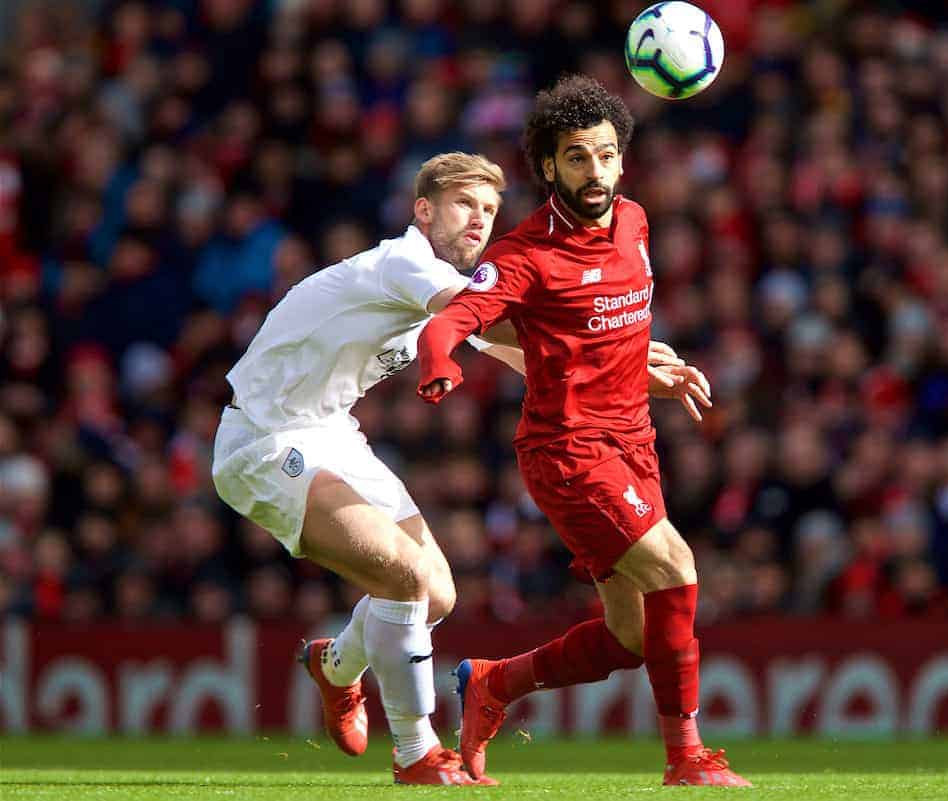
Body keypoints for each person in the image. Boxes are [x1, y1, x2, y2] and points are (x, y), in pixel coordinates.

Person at [211, 152, 690, 786]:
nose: (479, 221)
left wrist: (623, 365)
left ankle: (336, 666)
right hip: (263, 438)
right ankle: (418, 753)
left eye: (490, 211)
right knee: (404, 579)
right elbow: (516, 326)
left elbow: (515, 346)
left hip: (332, 432)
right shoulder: (405, 264)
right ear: (424, 209)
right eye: (465, 204)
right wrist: (617, 346)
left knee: (436, 593)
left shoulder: (437, 283)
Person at [416, 77, 751, 787]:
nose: (594, 172)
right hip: (567, 450)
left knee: (633, 634)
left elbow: (605, 324)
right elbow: (456, 317)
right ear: (548, 167)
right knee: (676, 567)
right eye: (576, 158)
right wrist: (439, 359)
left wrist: (644, 370)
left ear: (622, 161)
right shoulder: (524, 254)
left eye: (604, 155)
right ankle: (687, 758)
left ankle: (493, 684)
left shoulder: (634, 221)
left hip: (635, 441)